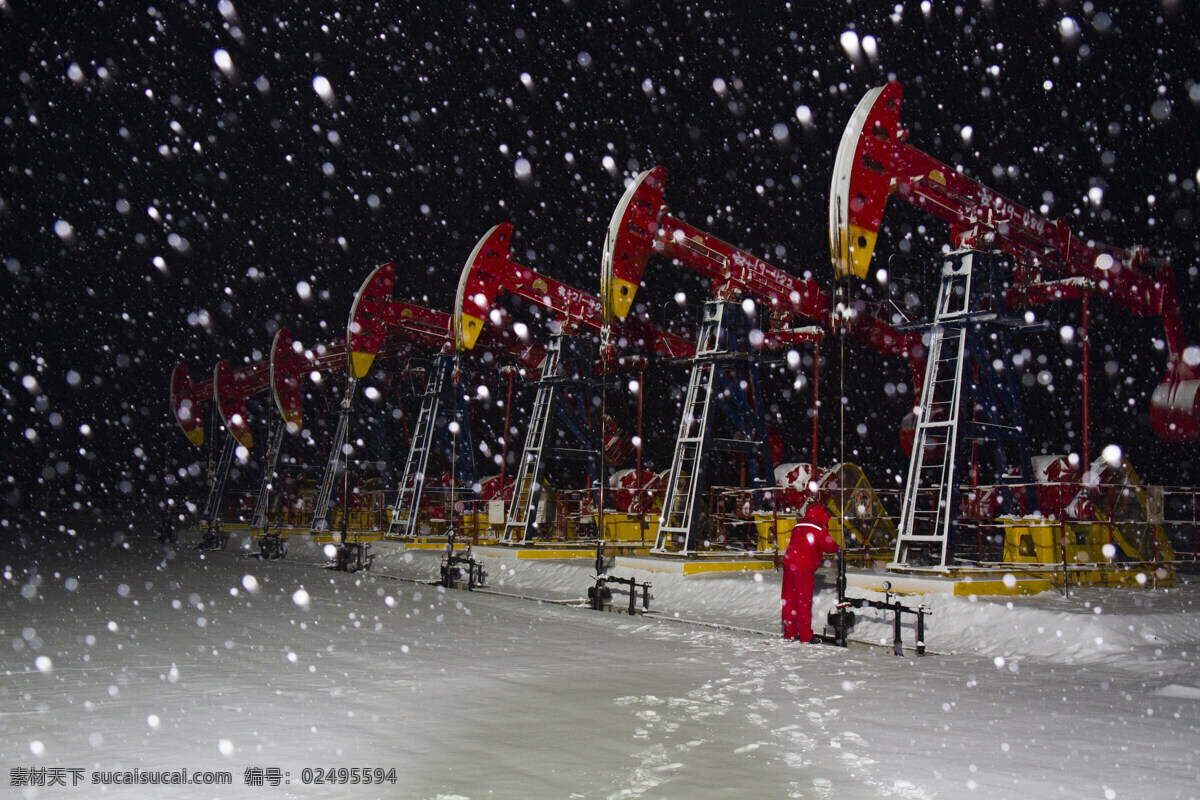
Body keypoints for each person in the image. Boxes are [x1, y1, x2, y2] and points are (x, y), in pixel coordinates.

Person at [781, 503, 838, 642]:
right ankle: (806, 636)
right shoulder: (818, 528)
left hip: (789, 566)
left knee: (789, 602)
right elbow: (828, 546)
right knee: (803, 602)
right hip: (803, 569)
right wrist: (839, 548)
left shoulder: (798, 525)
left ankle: (790, 633)